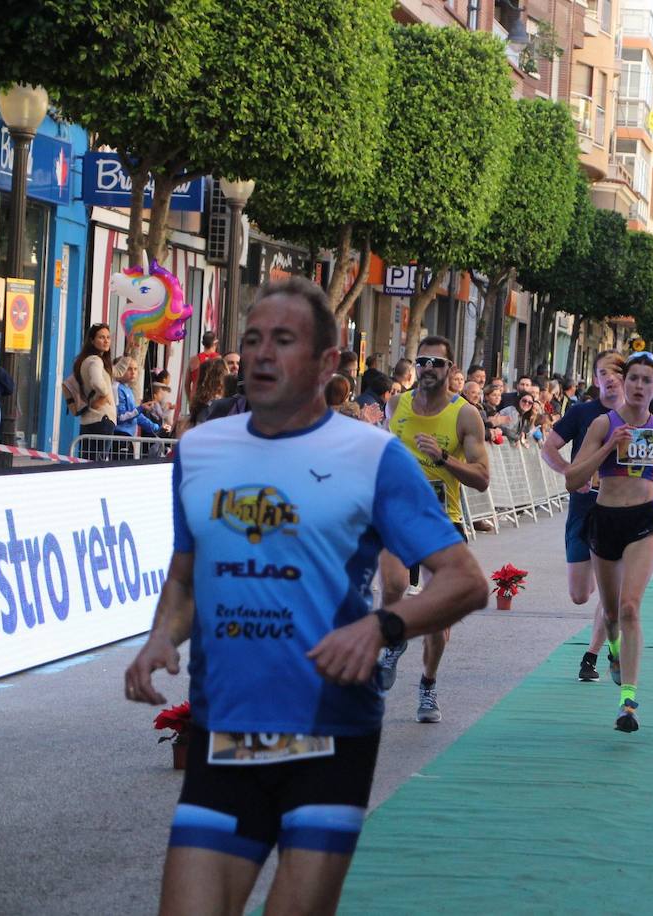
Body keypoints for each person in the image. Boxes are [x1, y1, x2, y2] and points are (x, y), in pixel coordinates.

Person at [123, 276, 488, 916]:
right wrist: (161, 636)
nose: (262, 354)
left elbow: (465, 579)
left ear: (327, 364)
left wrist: (382, 628)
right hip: (225, 729)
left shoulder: (372, 456)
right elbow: (185, 576)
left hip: (329, 733)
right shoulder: (200, 450)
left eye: (283, 341)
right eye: (253, 339)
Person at [376, 336, 491, 723]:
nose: (427, 368)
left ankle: (428, 683)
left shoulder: (465, 415)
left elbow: (482, 479)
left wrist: (442, 457)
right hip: (398, 513)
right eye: (422, 361)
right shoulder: (397, 404)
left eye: (436, 363)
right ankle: (392, 641)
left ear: (450, 370)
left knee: (439, 617)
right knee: (392, 584)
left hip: (444, 519)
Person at [566, 352, 653, 732]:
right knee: (612, 613)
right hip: (605, 517)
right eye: (633, 378)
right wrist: (608, 446)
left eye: (646, 380)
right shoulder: (604, 423)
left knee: (630, 608)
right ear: (625, 382)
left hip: (643, 521)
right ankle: (613, 654)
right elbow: (573, 478)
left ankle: (627, 702)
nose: (637, 386)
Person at [542, 349, 626, 682]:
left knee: (611, 595)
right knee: (580, 595)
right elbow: (548, 447)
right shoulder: (581, 413)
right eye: (603, 372)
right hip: (583, 508)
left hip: (616, 510)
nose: (609, 377)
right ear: (595, 380)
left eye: (616, 372)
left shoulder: (635, 415)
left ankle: (593, 654)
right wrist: (570, 472)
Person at [73, 323, 118, 458]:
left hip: (89, 419)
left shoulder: (87, 360)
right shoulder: (95, 360)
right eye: (101, 337)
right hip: (101, 419)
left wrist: (128, 352)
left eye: (108, 338)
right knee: (97, 464)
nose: (106, 341)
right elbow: (97, 382)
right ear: (92, 340)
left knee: (87, 462)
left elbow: (118, 372)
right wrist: (106, 395)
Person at [113, 356, 162, 444]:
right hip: (119, 435)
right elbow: (120, 417)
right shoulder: (117, 388)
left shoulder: (128, 389)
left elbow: (136, 415)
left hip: (128, 436)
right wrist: (140, 408)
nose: (133, 372)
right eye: (129, 369)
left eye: (135, 369)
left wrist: (155, 427)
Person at [184, 330, 220, 405]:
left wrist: (190, 400)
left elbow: (187, 384)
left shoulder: (193, 360)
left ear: (203, 343)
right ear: (215, 344)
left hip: (196, 398)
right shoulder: (219, 359)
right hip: (213, 399)